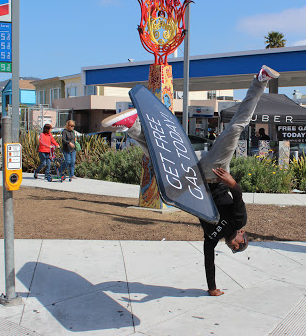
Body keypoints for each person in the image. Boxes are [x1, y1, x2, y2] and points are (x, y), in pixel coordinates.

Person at [101, 65, 280, 296]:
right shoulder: (238, 220)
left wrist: (212, 288)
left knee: (161, 158)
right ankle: (260, 80)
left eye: (235, 249)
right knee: (236, 128)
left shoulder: (212, 236)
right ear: (242, 234)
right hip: (214, 173)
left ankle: (132, 126)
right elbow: (238, 195)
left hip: (193, 181)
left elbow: (208, 260)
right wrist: (231, 181)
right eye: (239, 245)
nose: (234, 246)